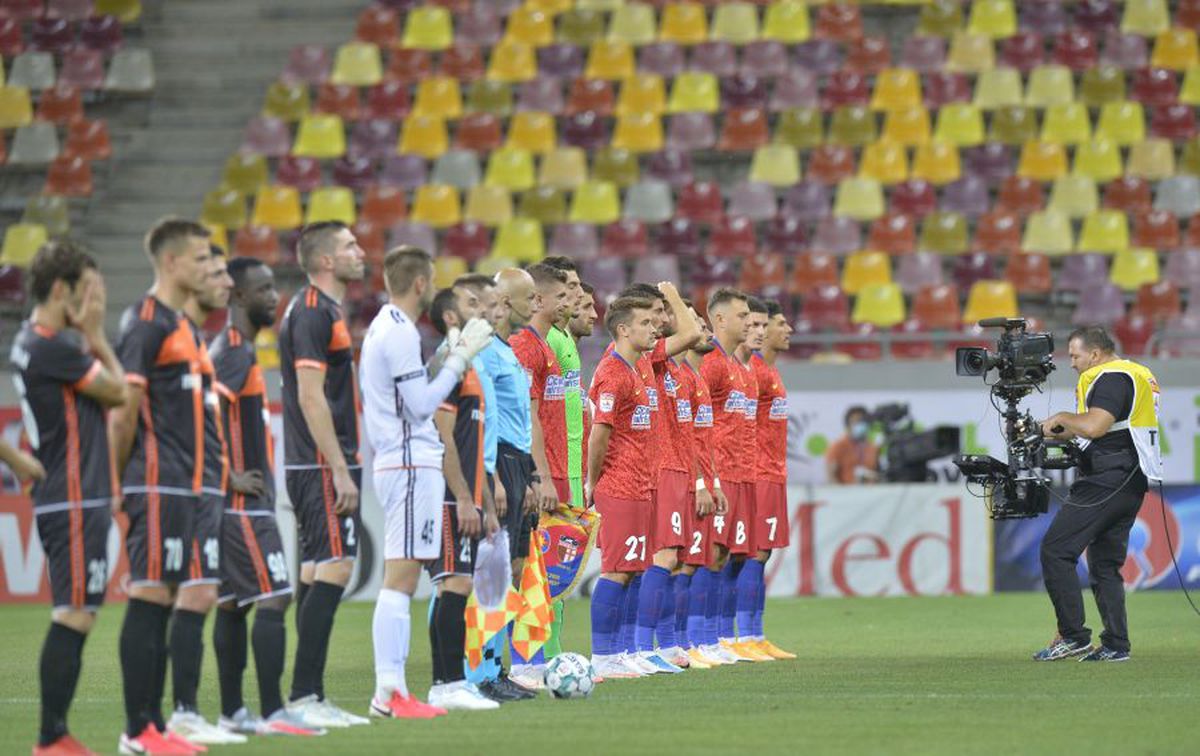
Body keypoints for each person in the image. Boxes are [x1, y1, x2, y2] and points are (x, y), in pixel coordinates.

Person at [359, 246, 493, 718]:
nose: (434, 287)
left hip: (399, 461)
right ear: (420, 283)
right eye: (432, 280)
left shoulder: (384, 326)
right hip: (410, 463)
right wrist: (459, 359)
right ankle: (389, 692)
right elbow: (420, 406)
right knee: (400, 581)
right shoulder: (399, 332)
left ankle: (392, 690)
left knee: (402, 578)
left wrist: (450, 355)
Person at [11, 240, 127, 756]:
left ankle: (55, 736)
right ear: (61, 290)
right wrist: (96, 335)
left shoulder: (29, 340)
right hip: (75, 495)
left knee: (78, 612)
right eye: (86, 291)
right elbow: (120, 391)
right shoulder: (53, 348)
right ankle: (51, 738)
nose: (92, 301)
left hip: (68, 493)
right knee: (74, 614)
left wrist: (17, 461)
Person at [109, 219, 212, 755]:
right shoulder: (146, 322)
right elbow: (123, 412)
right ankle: (137, 730)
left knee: (166, 598)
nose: (207, 266)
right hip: (154, 482)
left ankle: (154, 724)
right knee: (149, 597)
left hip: (182, 485)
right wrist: (114, 480)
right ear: (171, 262)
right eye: (200, 257)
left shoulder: (181, 324)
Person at [210, 257, 318, 737]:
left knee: (234, 603)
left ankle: (233, 712)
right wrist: (226, 473)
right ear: (237, 296)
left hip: (238, 504)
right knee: (274, 596)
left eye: (275, 288)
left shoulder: (239, 349)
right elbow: (204, 412)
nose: (274, 297)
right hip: (242, 506)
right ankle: (273, 710)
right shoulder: (233, 352)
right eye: (263, 289)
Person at [278, 221, 369, 729]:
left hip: (313, 460)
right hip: (319, 462)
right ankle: (303, 694)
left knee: (317, 569)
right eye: (350, 245)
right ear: (326, 260)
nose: (360, 251)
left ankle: (307, 693)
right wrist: (339, 467)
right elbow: (311, 396)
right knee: (335, 566)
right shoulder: (313, 311)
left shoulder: (319, 309)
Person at [1034, 326, 1163, 663]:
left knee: (1056, 550)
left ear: (1094, 354)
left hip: (1108, 478)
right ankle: (1116, 644)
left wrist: (1063, 417)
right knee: (1105, 565)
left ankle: (1073, 637)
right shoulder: (1135, 373)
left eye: (1074, 355)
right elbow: (1108, 428)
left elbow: (1095, 426)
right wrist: (1056, 430)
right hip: (1130, 479)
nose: (1071, 363)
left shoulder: (1110, 377)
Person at [165, 246, 247, 746]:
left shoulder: (198, 339)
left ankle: (190, 712)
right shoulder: (171, 334)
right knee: (189, 595)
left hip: (205, 485)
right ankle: (181, 712)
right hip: (184, 487)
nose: (225, 282)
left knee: (201, 595)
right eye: (214, 272)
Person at [615, 282, 701, 674]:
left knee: (670, 558)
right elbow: (692, 332)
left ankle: (662, 644)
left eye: (663, 313)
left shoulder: (671, 368)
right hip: (657, 468)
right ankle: (642, 644)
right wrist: (673, 296)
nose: (661, 320)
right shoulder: (647, 356)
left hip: (673, 468)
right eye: (654, 314)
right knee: (660, 558)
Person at [423, 284, 501, 711]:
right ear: (452, 318)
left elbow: (475, 444)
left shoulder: (468, 367)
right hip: (447, 496)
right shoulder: (444, 366)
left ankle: (447, 683)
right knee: (453, 583)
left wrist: (483, 501)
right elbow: (443, 437)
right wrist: (463, 499)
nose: (482, 310)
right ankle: (447, 683)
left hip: (466, 493)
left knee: (455, 585)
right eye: (472, 304)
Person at [473, 268, 539, 696]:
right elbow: (486, 421)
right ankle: (481, 672)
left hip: (517, 465)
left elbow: (517, 420)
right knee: (491, 573)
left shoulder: (507, 351)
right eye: (529, 298)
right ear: (506, 303)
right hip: (499, 463)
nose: (535, 304)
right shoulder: (485, 353)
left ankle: (498, 669)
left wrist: (530, 476)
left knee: (513, 569)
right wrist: (493, 477)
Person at [586, 296, 659, 681]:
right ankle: (603, 655)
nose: (654, 328)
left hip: (639, 485)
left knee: (632, 571)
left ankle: (624, 651)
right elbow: (599, 433)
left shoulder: (634, 371)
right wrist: (593, 481)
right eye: (645, 322)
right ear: (623, 330)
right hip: (618, 486)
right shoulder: (613, 373)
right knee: (615, 571)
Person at [507, 263, 571, 686]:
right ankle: (514, 661)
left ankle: (528, 660)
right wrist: (540, 476)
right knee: (520, 569)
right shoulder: (526, 347)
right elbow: (527, 416)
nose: (569, 302)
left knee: (534, 570)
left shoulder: (545, 347)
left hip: (544, 469)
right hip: (526, 470)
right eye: (561, 296)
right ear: (539, 300)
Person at [698, 288, 754, 666]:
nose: (748, 322)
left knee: (724, 556)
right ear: (719, 319)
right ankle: (697, 637)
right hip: (716, 473)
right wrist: (707, 478)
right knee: (708, 555)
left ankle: (715, 636)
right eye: (742, 316)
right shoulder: (712, 363)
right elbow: (696, 421)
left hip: (736, 473)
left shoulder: (735, 365)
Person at [720, 296, 772, 663]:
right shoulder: (719, 366)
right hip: (726, 474)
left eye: (764, 325)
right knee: (716, 557)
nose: (759, 331)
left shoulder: (750, 371)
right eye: (752, 323)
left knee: (736, 554)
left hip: (748, 473)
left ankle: (742, 636)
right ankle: (718, 636)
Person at [539, 256, 585, 662]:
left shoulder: (565, 339)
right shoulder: (547, 341)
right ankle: (539, 656)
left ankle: (550, 652)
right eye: (569, 288)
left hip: (570, 467)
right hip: (552, 468)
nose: (578, 294)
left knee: (561, 571)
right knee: (545, 570)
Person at [680, 306, 730, 669]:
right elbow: (684, 440)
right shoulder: (681, 377)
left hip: (702, 479)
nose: (706, 330)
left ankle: (698, 640)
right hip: (681, 480)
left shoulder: (695, 378)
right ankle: (683, 641)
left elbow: (703, 440)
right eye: (698, 324)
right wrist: (700, 482)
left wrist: (713, 482)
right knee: (682, 563)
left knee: (701, 559)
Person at [746, 301, 797, 660]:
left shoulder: (770, 371)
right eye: (781, 323)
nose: (787, 329)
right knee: (753, 553)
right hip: (758, 472)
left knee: (761, 554)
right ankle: (743, 634)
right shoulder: (754, 371)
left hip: (773, 472)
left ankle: (754, 633)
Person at [825, 406, 880, 485]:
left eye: (863, 422)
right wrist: (841, 491)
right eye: (856, 422)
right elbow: (831, 476)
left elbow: (876, 472)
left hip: (872, 490)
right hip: (846, 490)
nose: (860, 425)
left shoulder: (873, 447)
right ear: (848, 425)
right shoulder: (838, 446)